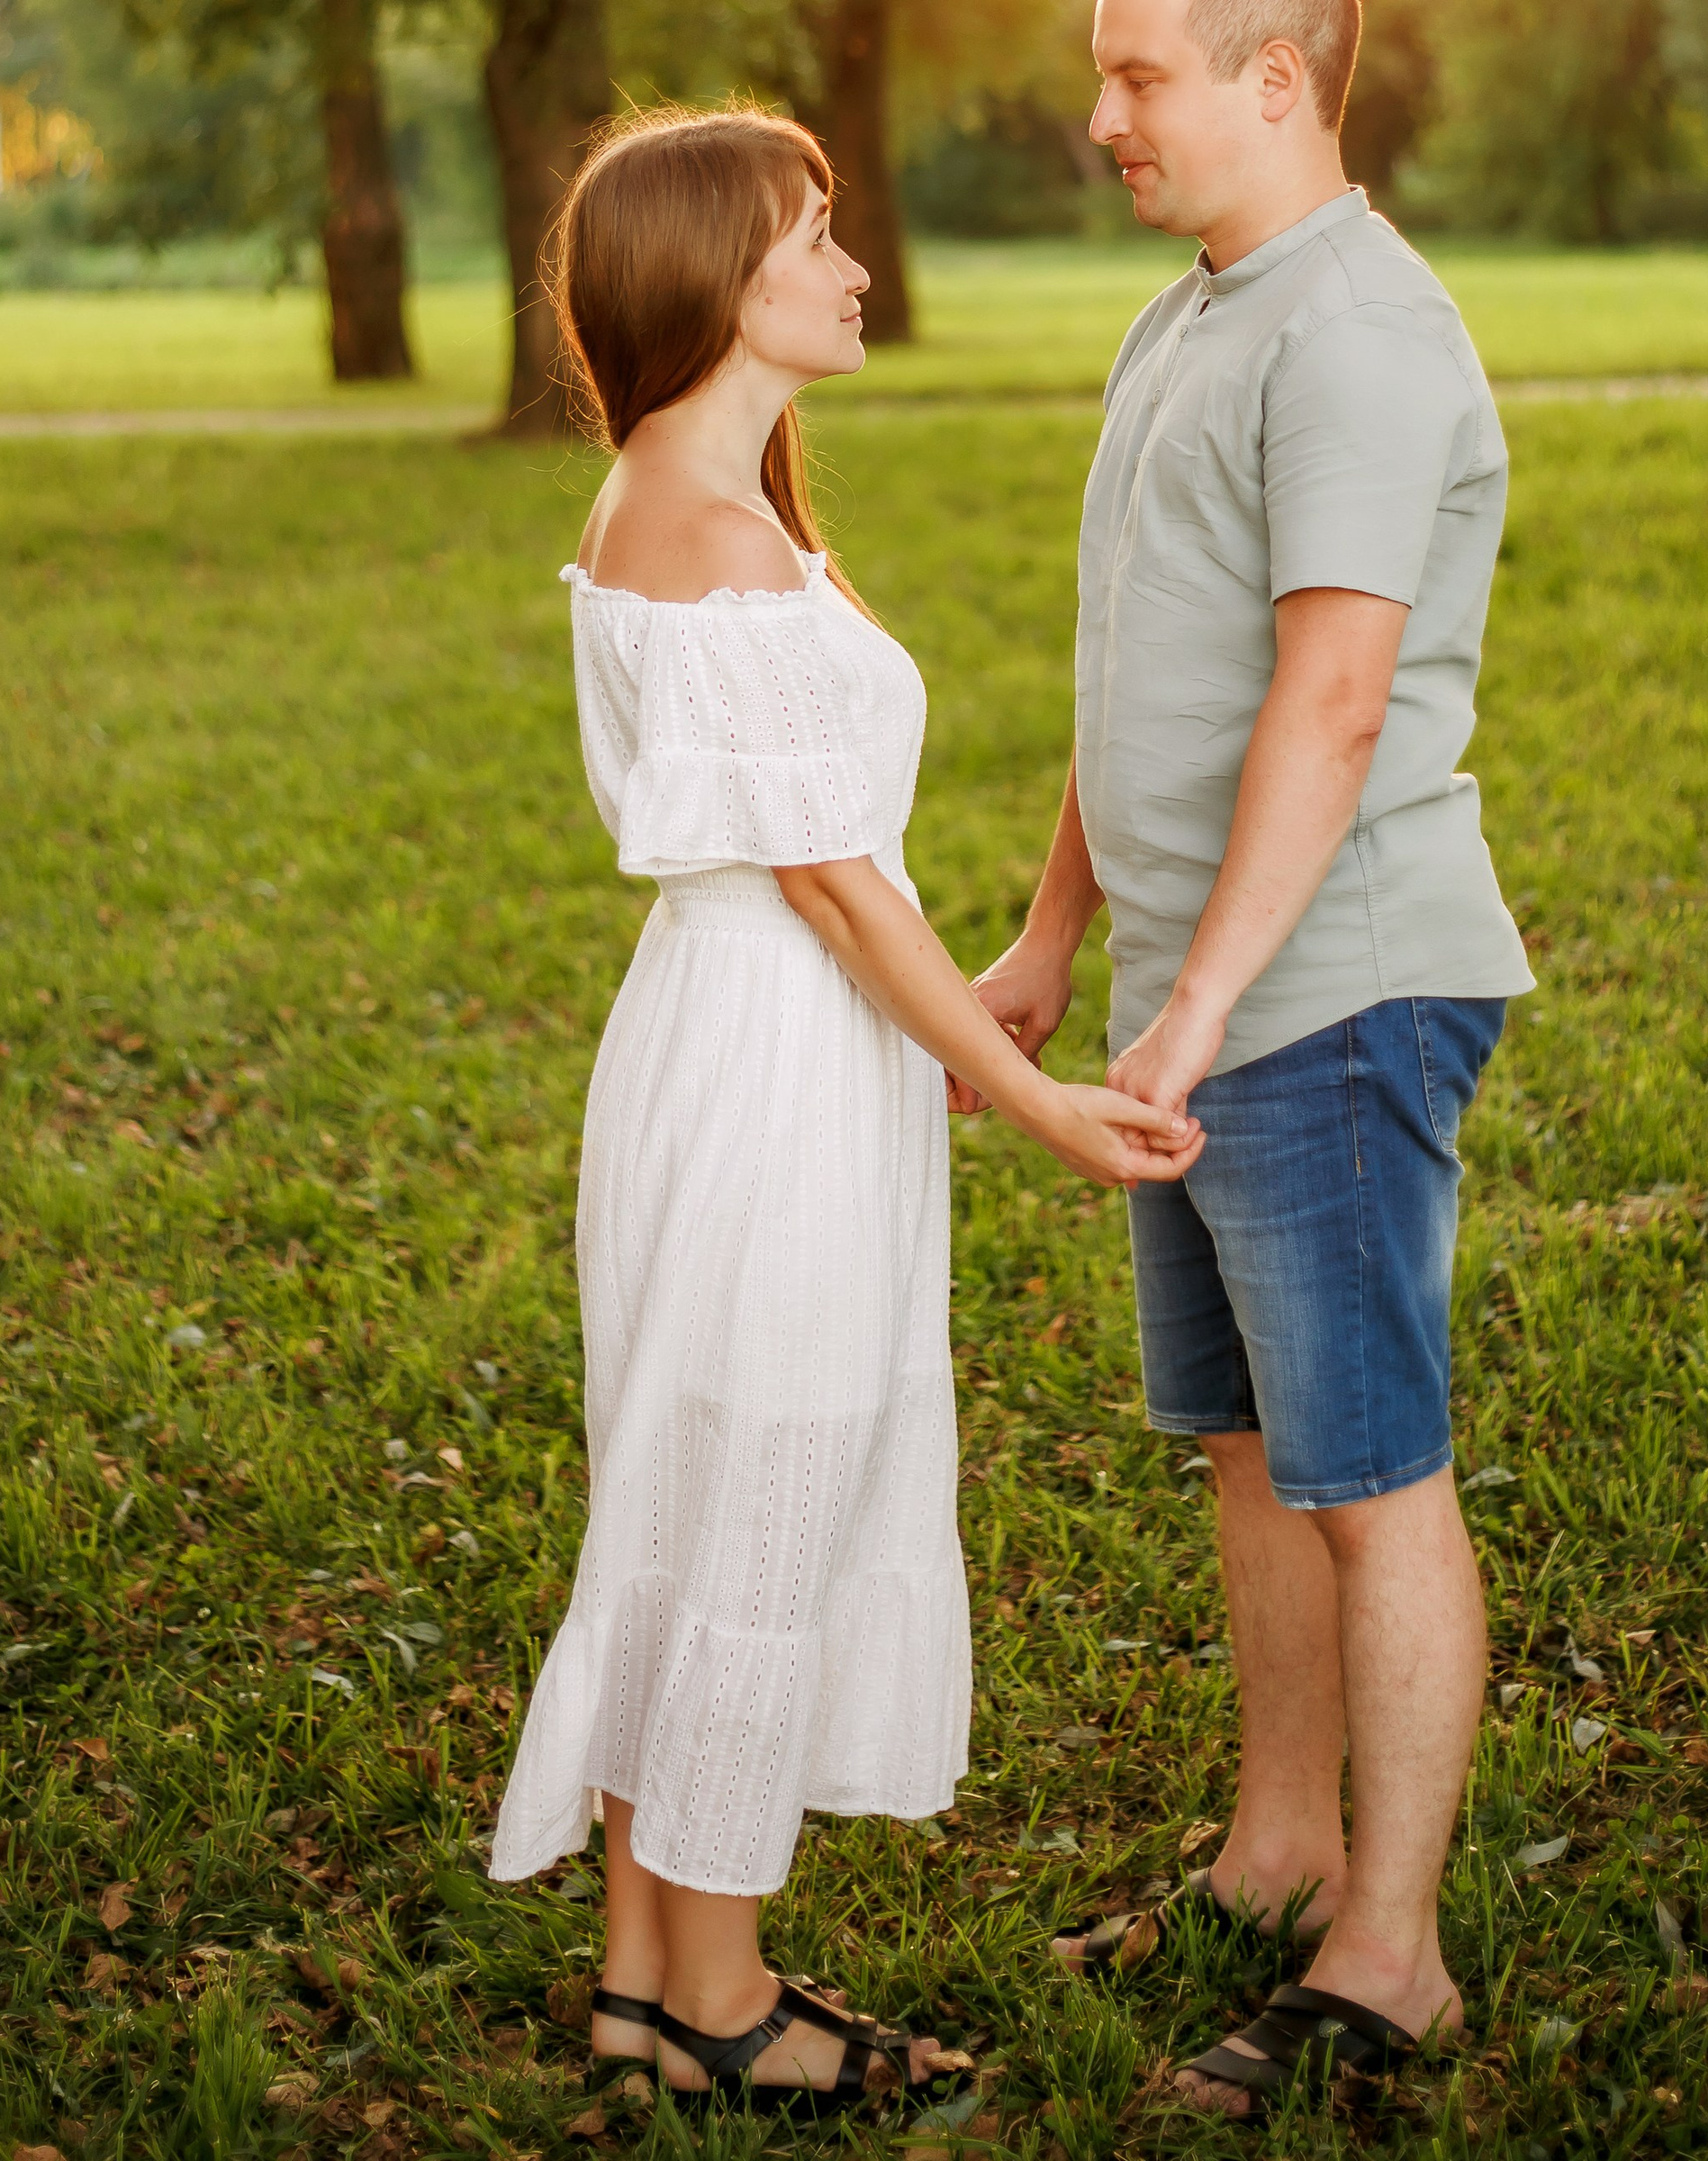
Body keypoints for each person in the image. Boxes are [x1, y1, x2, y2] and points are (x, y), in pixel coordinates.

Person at [488, 104, 1203, 2114]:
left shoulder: (689, 495)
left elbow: (814, 874)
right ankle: (722, 2006)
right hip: (765, 1072)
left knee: (699, 1480)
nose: (854, 264)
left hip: (745, 1044)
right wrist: (1033, 1096)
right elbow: (830, 880)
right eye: (814, 235)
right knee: (760, 1490)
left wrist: (946, 1021)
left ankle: (643, 1978)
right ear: (722, 283)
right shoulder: (709, 535)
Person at [976, 0, 1532, 2110]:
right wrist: (1049, 936)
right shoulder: (1187, 316)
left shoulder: (1361, 338)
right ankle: (1279, 1851)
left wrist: (1203, 998)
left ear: (1277, 79)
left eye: (1138, 75)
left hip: (1326, 990)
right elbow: (1149, 679)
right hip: (1186, 995)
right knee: (1243, 1455)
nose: (1099, 114)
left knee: (1368, 1470)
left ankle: (1389, 1961)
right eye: (1102, 74)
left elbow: (1324, 697)